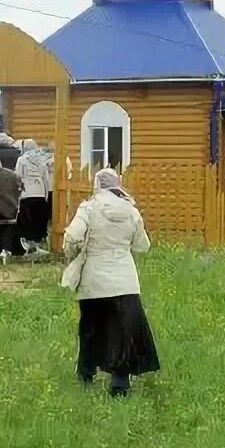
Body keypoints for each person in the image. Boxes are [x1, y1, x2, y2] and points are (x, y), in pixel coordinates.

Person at [62, 168, 159, 398]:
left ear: (97, 184)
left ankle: (86, 374)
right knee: (123, 331)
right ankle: (120, 383)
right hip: (125, 281)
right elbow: (142, 245)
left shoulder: (89, 207)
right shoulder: (131, 211)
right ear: (118, 184)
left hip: (93, 280)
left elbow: (73, 236)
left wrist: (71, 253)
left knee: (91, 329)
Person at [15, 139, 50, 249]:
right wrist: (46, 196)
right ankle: (39, 245)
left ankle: (30, 247)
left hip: (26, 196)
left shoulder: (21, 159)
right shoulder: (41, 160)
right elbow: (46, 179)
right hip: (40, 195)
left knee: (28, 223)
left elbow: (18, 177)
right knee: (39, 223)